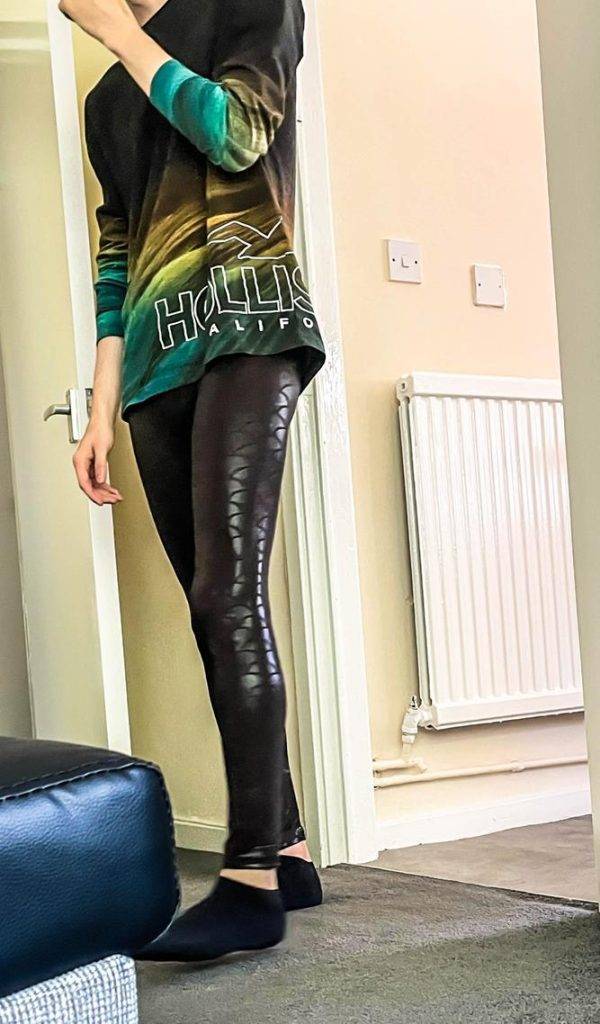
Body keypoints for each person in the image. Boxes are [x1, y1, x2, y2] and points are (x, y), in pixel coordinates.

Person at [60, 0, 327, 962]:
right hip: (153, 370)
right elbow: (118, 250)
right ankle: (287, 850)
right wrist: (99, 407)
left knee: (227, 595)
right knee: (212, 610)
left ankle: (250, 882)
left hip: (250, 326)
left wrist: (122, 36)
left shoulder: (248, 4)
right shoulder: (103, 102)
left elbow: (241, 133)